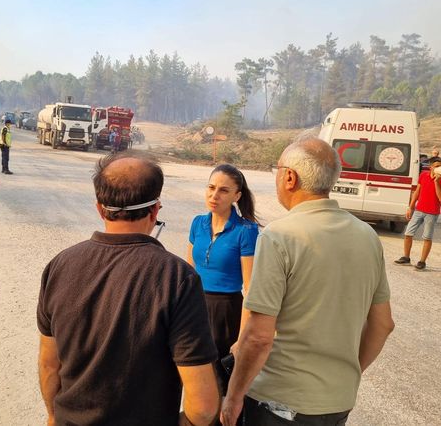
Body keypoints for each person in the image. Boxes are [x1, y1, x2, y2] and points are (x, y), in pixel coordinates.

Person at [221, 136, 394, 426]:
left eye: (277, 170)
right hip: (338, 401)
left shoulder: (279, 237)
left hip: (278, 404)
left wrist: (234, 395)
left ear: (290, 177)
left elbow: (259, 337)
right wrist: (346, 375)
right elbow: (383, 324)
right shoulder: (367, 237)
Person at [37, 151, 220, 426]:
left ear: (99, 208)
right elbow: (203, 407)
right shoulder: (178, 278)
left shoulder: (59, 266)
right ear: (155, 209)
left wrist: (53, 416)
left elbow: (50, 365)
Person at [187, 164, 259, 396]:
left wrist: (241, 340)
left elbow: (249, 288)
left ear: (237, 196)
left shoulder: (246, 230)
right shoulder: (198, 223)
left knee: (218, 384)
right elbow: (188, 272)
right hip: (195, 306)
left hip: (226, 311)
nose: (214, 195)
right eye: (211, 187)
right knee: (192, 381)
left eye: (223, 190)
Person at [394, 156, 441, 271]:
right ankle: (406, 257)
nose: (438, 168)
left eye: (440, 166)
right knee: (408, 234)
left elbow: (440, 198)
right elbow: (417, 192)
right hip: (419, 210)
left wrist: (436, 182)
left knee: (427, 237)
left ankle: (422, 262)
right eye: (436, 166)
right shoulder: (423, 175)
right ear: (430, 167)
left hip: (432, 213)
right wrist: (410, 207)